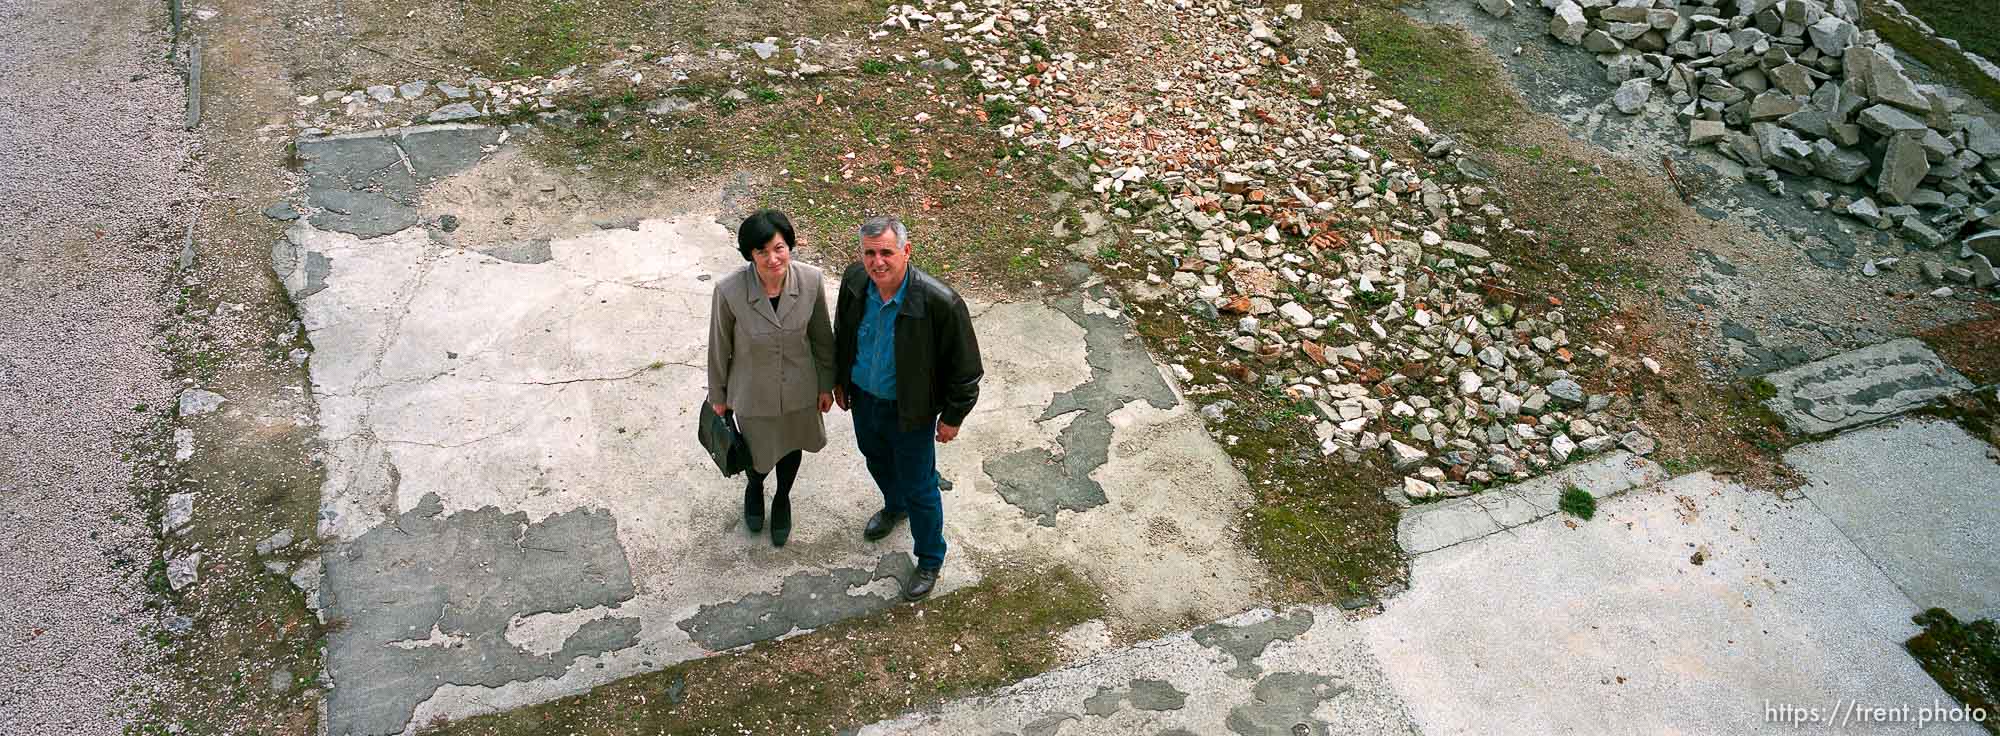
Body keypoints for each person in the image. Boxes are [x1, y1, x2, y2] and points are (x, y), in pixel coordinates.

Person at [832, 215, 983, 601]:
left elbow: (966, 370)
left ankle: (930, 557)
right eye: (869, 253)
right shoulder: (854, 282)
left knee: (921, 486)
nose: (877, 262)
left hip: (910, 412)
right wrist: (839, 380)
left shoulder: (940, 303)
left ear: (906, 252)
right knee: (876, 458)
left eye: (886, 252)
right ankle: (893, 506)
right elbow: (844, 333)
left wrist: (952, 417)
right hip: (864, 400)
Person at [707, 210, 836, 547]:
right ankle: (755, 487)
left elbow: (822, 337)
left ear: (789, 245)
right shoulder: (730, 291)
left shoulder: (810, 281)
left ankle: (782, 498)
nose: (772, 258)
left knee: (792, 445)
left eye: (778, 248)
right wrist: (717, 396)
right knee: (757, 453)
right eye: (761, 252)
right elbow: (719, 346)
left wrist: (825, 384)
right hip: (753, 392)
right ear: (750, 255)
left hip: (800, 390)